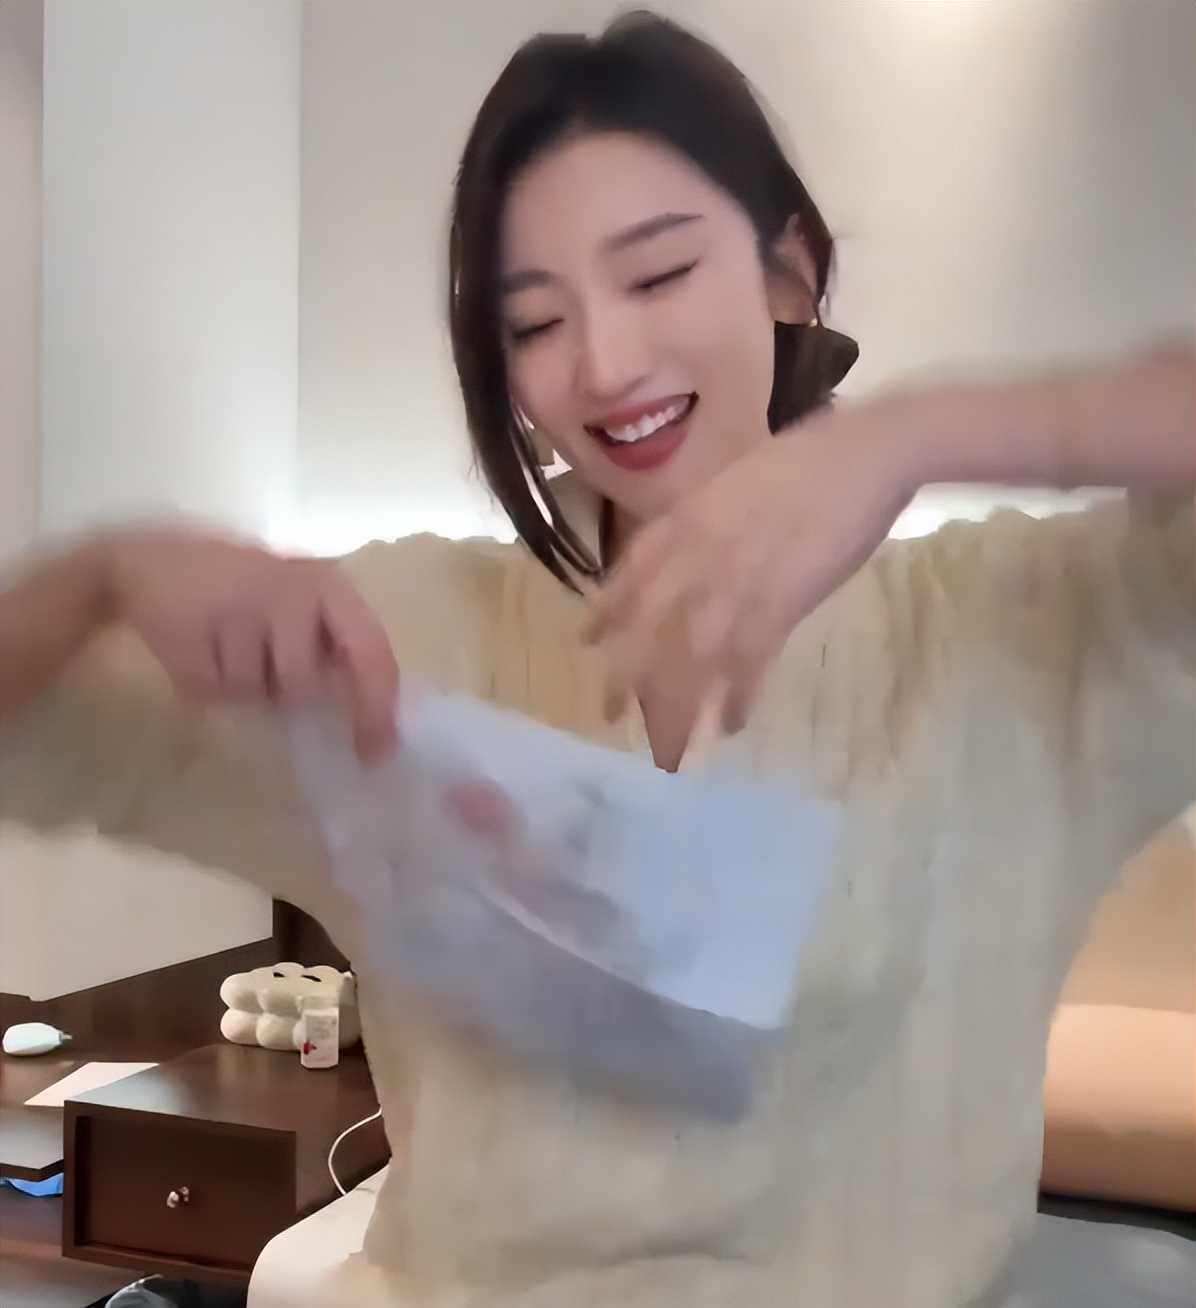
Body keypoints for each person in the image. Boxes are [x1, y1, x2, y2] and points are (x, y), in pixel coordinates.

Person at [1, 13, 1192, 1308]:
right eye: (534, 321)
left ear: (790, 274)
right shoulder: (408, 640)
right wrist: (103, 574)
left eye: (658, 274)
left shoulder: (1013, 642)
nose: (607, 366)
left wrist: (916, 434)